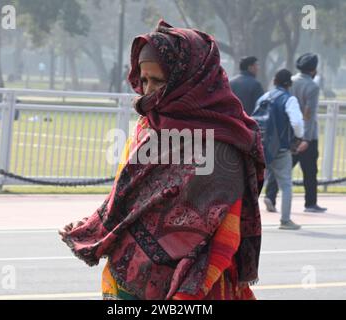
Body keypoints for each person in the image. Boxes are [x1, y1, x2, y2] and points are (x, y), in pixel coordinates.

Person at [59, 20, 265, 300]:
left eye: (158, 81)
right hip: (128, 279)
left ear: (190, 79)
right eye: (143, 80)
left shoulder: (224, 142)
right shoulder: (148, 126)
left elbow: (225, 233)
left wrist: (187, 294)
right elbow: (127, 195)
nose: (147, 91)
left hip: (193, 287)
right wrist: (93, 223)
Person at [264, 53, 327, 213]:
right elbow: (309, 113)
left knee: (281, 168)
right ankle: (310, 203)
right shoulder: (312, 86)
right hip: (306, 136)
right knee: (310, 171)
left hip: (288, 134)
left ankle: (270, 196)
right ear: (313, 70)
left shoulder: (291, 81)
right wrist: (305, 138)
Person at [255, 69, 304, 230]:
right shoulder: (289, 99)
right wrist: (299, 137)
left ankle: (244, 219)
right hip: (281, 148)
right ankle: (285, 220)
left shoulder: (264, 97)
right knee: (286, 185)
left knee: (253, 184)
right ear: (289, 83)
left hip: (260, 146)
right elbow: (297, 123)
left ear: (274, 81)